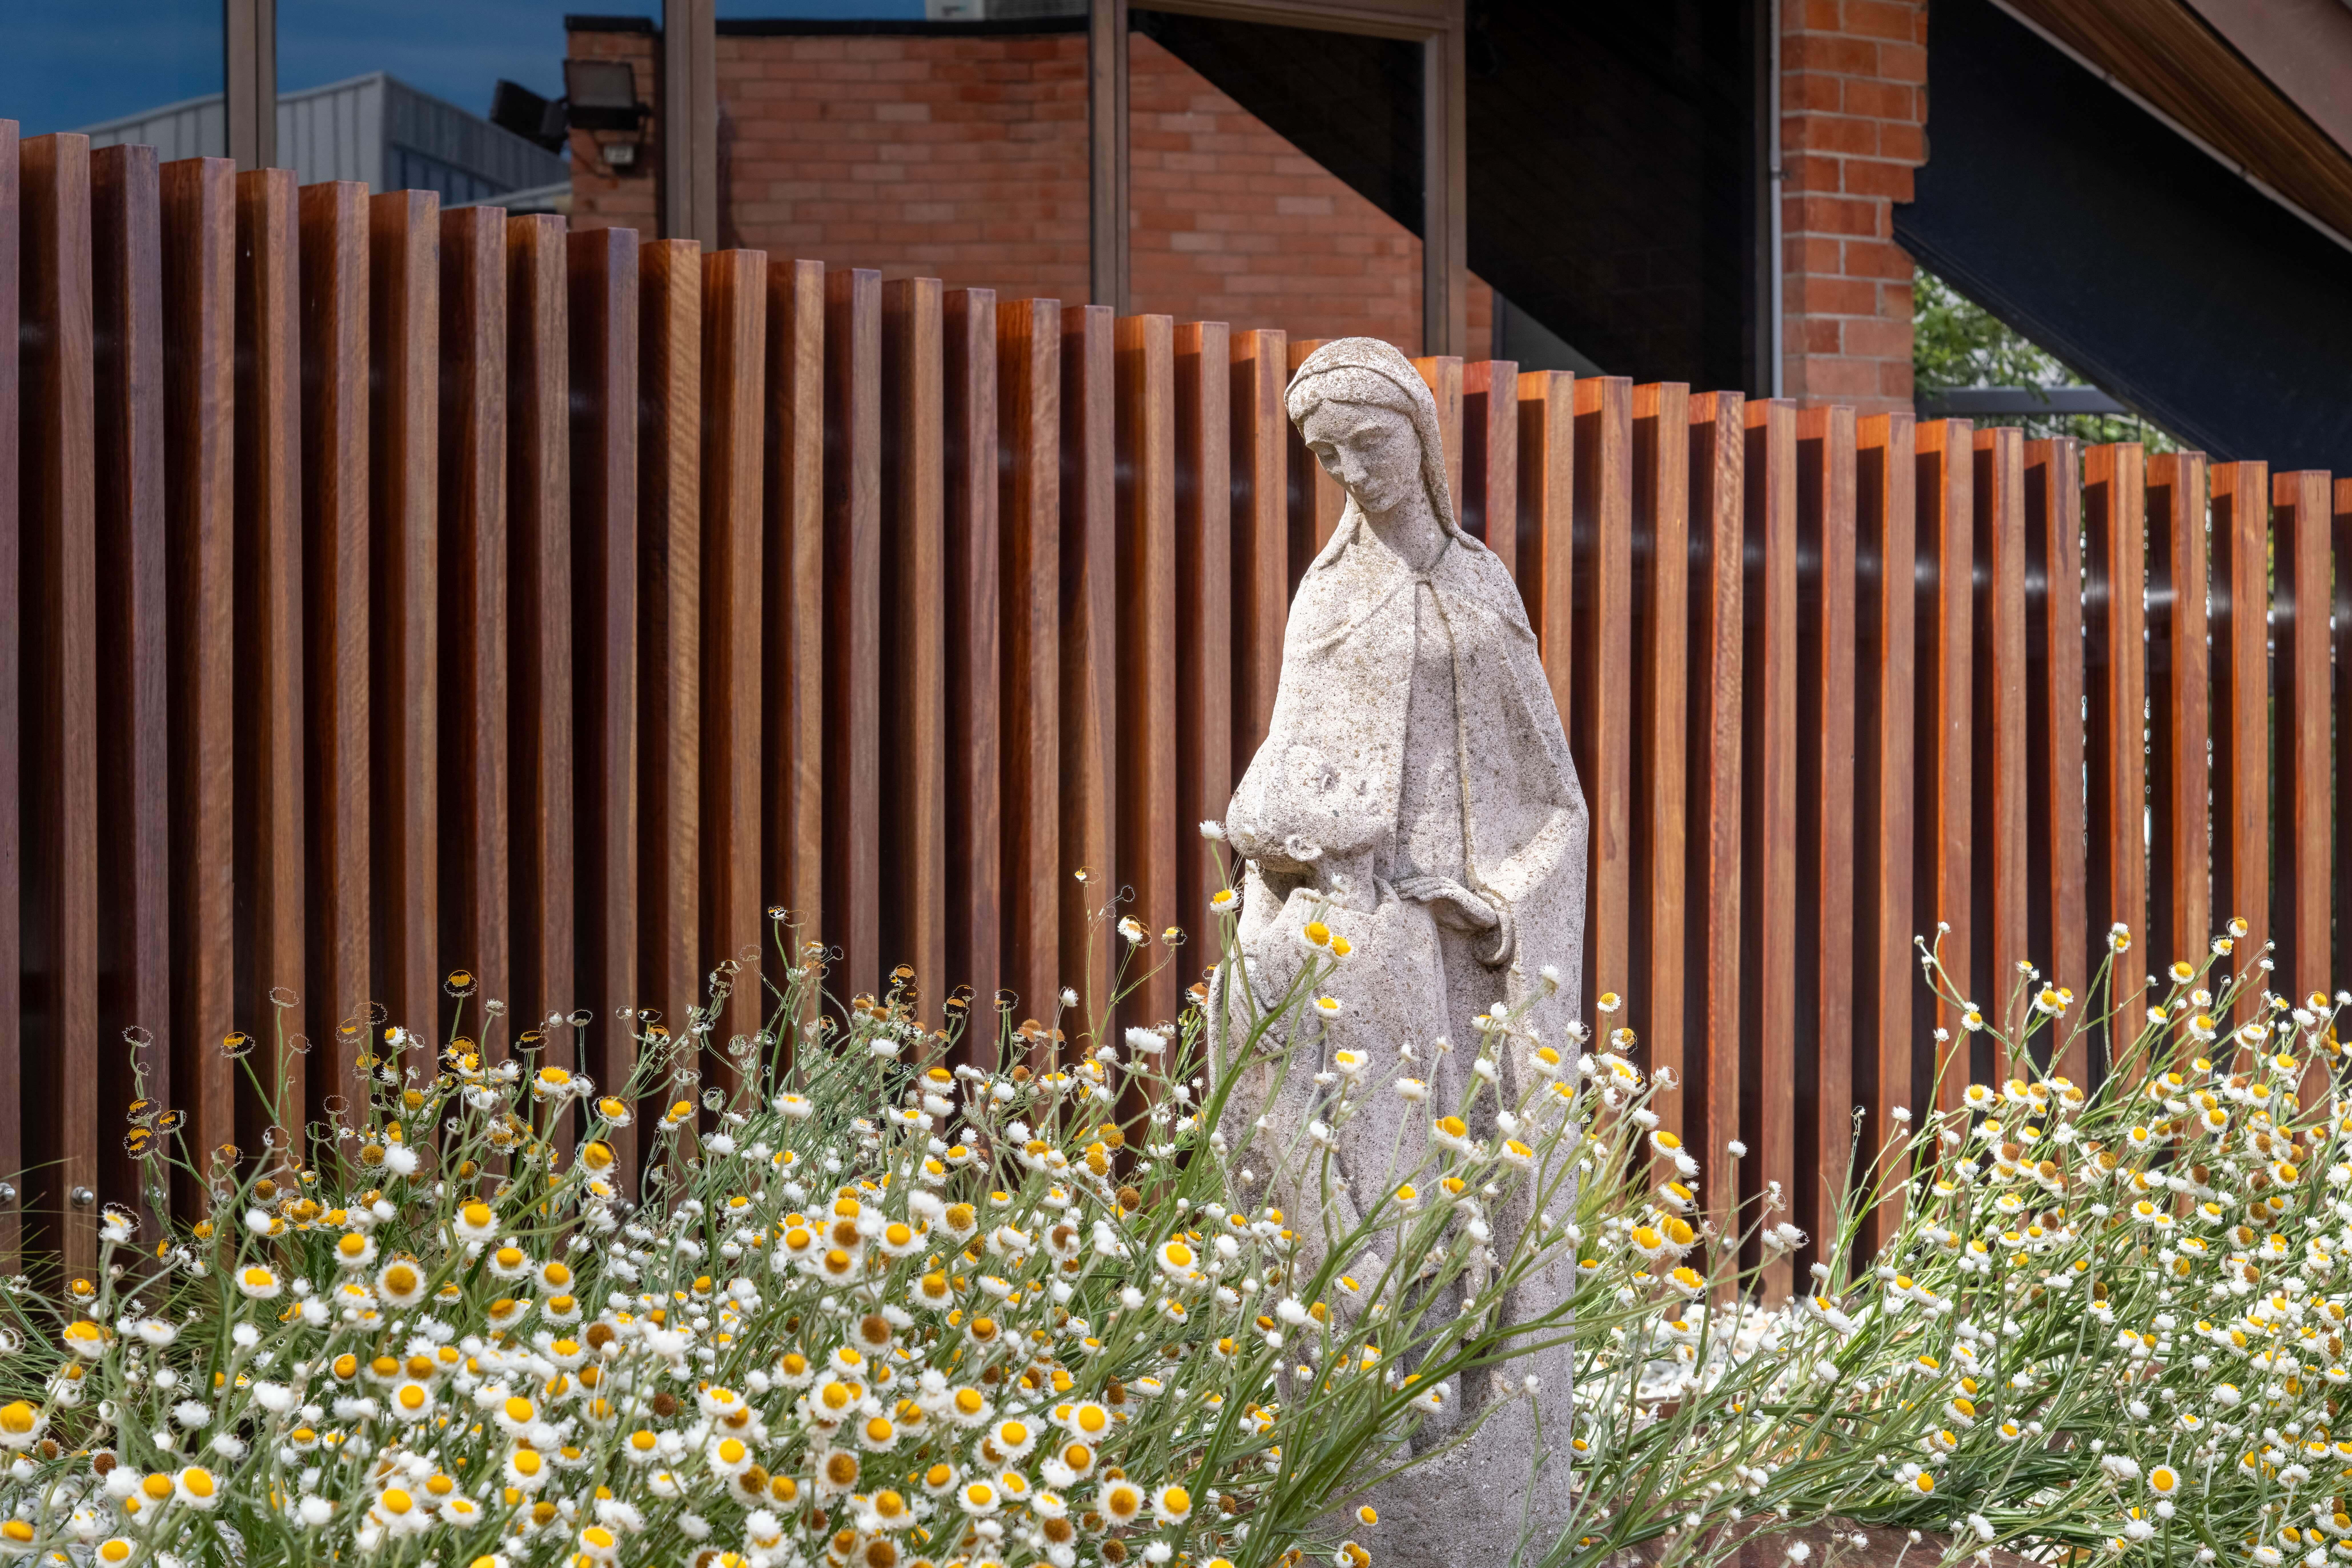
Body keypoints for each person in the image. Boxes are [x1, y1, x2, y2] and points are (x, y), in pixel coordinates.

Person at [1212, 335, 1587, 1565]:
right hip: (1340, 946)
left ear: (1420, 439)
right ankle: (1358, 1461)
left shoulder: (1477, 591)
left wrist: (1499, 901)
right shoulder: (1322, 596)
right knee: (1347, 1201)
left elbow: (1556, 801)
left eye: (1369, 444)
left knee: (1454, 1201)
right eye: (1326, 455)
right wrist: (1274, 858)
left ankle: (1464, 1483)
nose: (1351, 472)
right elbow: (1280, 774)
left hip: (1448, 953)